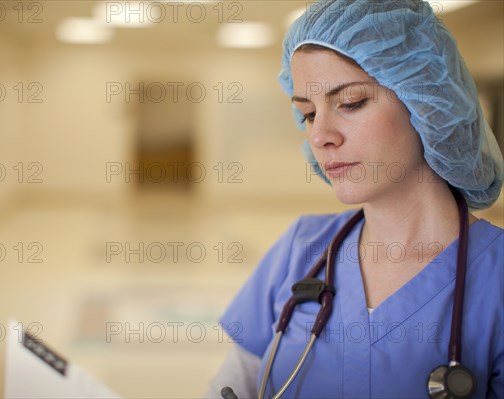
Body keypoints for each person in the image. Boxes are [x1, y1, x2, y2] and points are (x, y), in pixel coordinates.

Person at [205, 0, 504, 398]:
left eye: (350, 103)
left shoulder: (495, 279)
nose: (319, 135)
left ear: (425, 101)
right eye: (309, 114)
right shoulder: (301, 249)